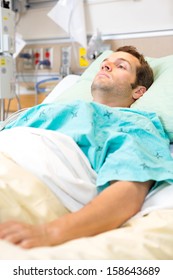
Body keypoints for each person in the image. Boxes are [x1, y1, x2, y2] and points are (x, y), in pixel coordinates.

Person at [0, 45, 173, 249]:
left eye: (120, 66)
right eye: (105, 63)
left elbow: (130, 189)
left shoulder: (135, 124)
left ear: (138, 91)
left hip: (25, 179)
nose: (107, 66)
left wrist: (50, 232)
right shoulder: (50, 109)